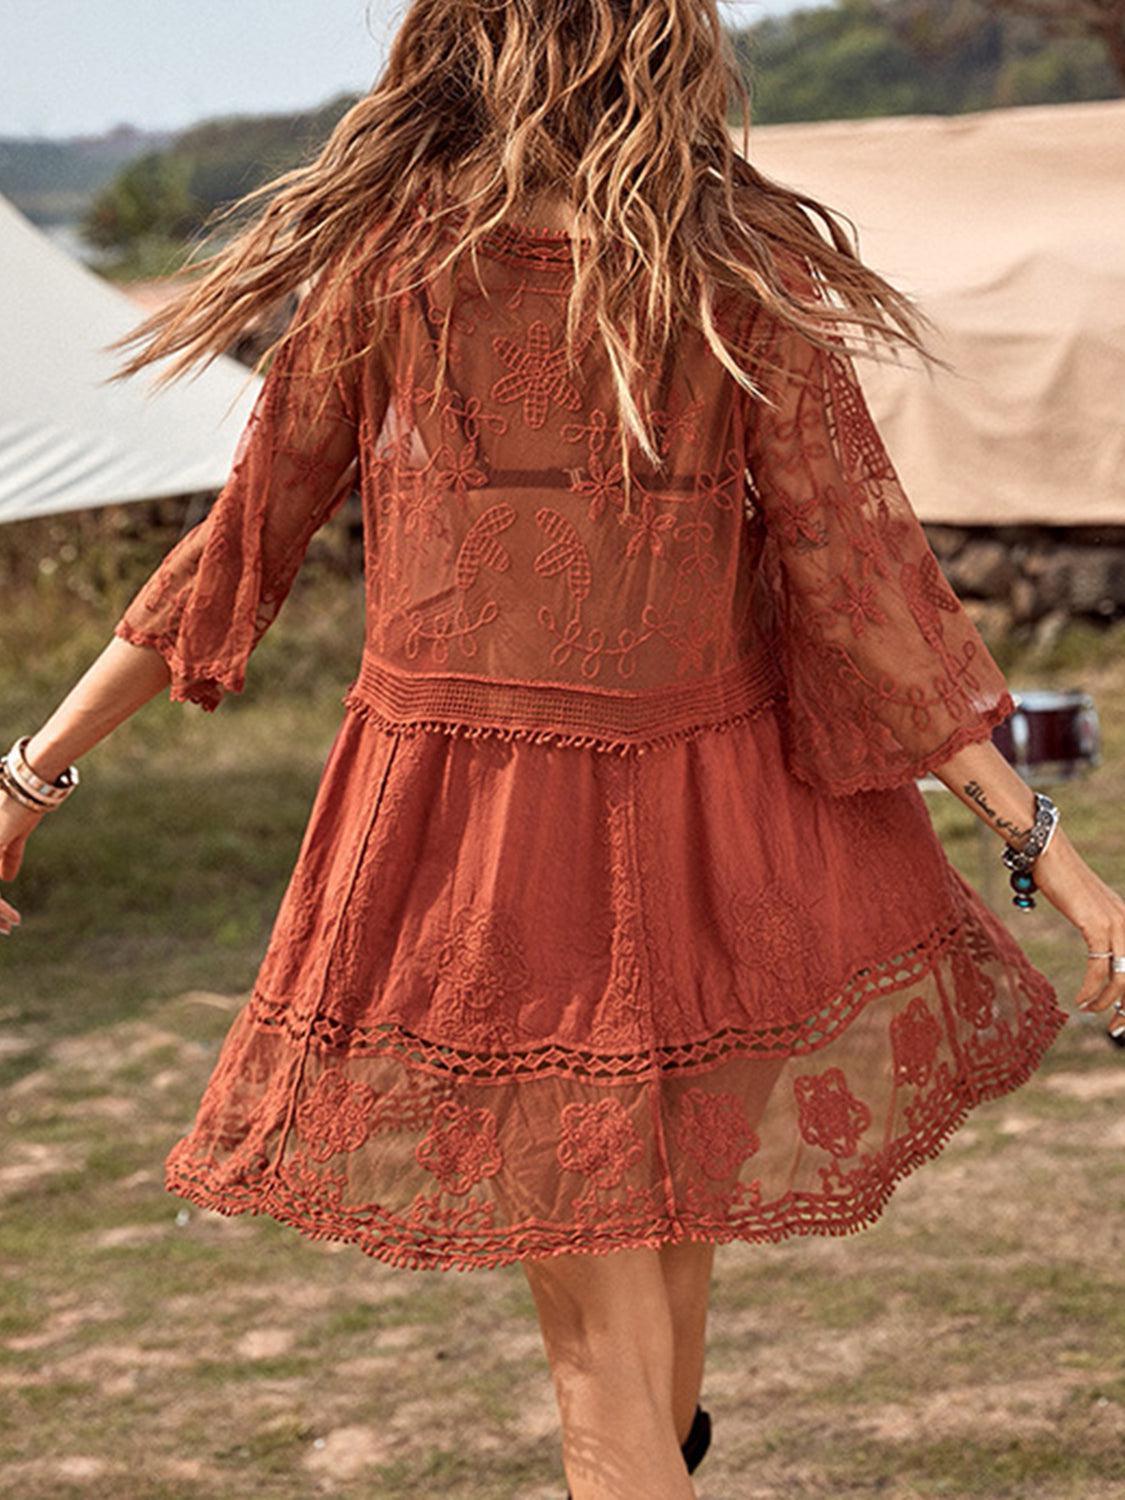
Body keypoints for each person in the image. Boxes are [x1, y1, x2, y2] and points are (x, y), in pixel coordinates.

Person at [2, 2, 1123, 1496]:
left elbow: (237, 553)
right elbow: (863, 587)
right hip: (708, 827)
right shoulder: (727, 260)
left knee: (610, 1342)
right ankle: (667, 1458)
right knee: (653, 1264)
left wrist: (31, 771)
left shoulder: (397, 253)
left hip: (482, 839)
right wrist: (1054, 858)